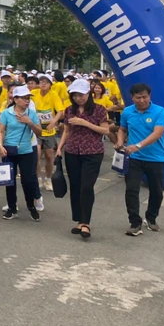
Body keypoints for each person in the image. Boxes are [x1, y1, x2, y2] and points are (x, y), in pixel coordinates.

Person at [56, 79, 109, 239]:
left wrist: (84, 123)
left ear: (89, 94)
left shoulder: (99, 109)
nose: (78, 98)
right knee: (76, 186)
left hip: (92, 151)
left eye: (82, 95)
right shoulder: (69, 110)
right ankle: (79, 220)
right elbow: (67, 130)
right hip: (72, 151)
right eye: (75, 95)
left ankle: (86, 223)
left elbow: (105, 130)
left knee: (87, 186)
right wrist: (60, 147)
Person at [116, 83, 164, 236]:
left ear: (149, 96)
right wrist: (120, 141)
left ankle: (151, 218)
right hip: (134, 158)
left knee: (157, 191)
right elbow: (122, 129)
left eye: (144, 97)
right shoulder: (127, 112)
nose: (142, 100)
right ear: (132, 98)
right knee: (131, 190)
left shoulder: (160, 111)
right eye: (138, 97)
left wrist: (137, 145)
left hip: (155, 158)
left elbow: (158, 133)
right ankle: (135, 222)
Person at [0, 86, 43, 222]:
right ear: (15, 99)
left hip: (26, 150)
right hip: (9, 150)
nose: (27, 101)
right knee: (9, 181)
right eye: (24, 98)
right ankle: (12, 208)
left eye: (28, 98)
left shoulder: (31, 114)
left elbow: (40, 132)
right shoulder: (6, 113)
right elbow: (0, 131)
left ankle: (31, 207)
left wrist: (29, 122)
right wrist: (0, 145)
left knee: (28, 181)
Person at [34, 74, 63, 192]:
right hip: (36, 129)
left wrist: (54, 122)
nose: (43, 83)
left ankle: (48, 178)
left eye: (46, 82)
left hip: (49, 130)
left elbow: (60, 111)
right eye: (41, 81)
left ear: (50, 84)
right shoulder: (34, 94)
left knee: (49, 156)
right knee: (36, 155)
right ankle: (38, 178)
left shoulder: (53, 95)